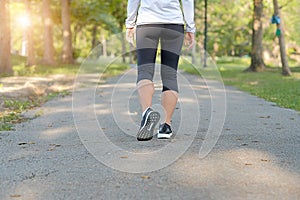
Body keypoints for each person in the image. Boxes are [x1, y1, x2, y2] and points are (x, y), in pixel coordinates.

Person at [125, 0, 196, 141]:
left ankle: (147, 112)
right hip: (174, 24)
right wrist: (190, 27)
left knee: (145, 71)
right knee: (170, 75)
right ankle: (165, 126)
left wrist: (130, 23)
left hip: (147, 23)